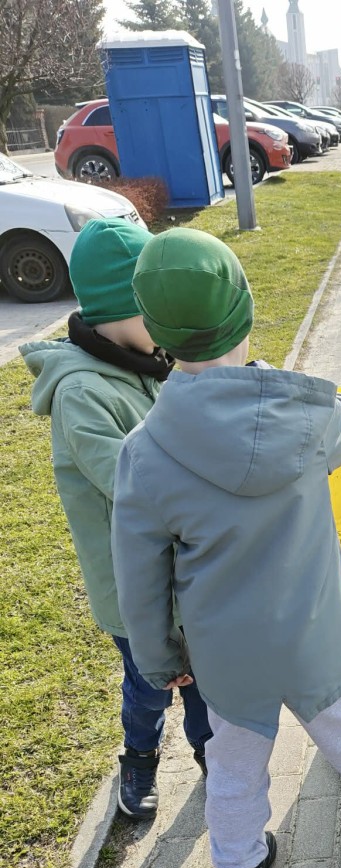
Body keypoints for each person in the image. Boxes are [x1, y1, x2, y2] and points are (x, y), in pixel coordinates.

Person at [111, 228, 341, 868]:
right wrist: (278, 385)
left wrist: (158, 658)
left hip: (226, 654)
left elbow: (139, 576)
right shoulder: (306, 416)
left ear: (157, 333)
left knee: (233, 764)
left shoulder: (143, 454)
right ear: (244, 312)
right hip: (315, 631)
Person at [21, 218, 211, 823]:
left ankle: (214, 754)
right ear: (122, 306)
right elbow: (138, 487)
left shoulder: (153, 362)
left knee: (205, 679)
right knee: (150, 686)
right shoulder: (82, 394)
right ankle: (139, 758)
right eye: (156, 308)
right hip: (135, 593)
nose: (167, 323)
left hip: (189, 575)